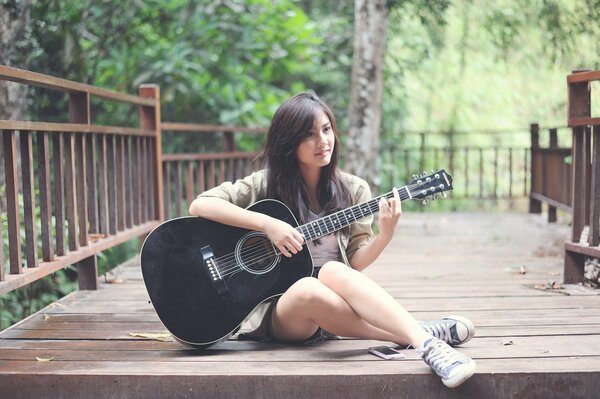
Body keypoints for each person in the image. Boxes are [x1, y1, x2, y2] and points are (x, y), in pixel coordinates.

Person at [188, 92, 476, 388]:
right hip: (279, 312)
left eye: (326, 130)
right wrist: (267, 224)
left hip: (334, 304)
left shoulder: (354, 190)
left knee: (334, 271)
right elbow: (201, 205)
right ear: (289, 142)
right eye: (309, 135)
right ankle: (419, 333)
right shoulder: (265, 183)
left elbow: (355, 263)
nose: (322, 141)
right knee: (308, 287)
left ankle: (430, 348)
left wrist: (385, 236)